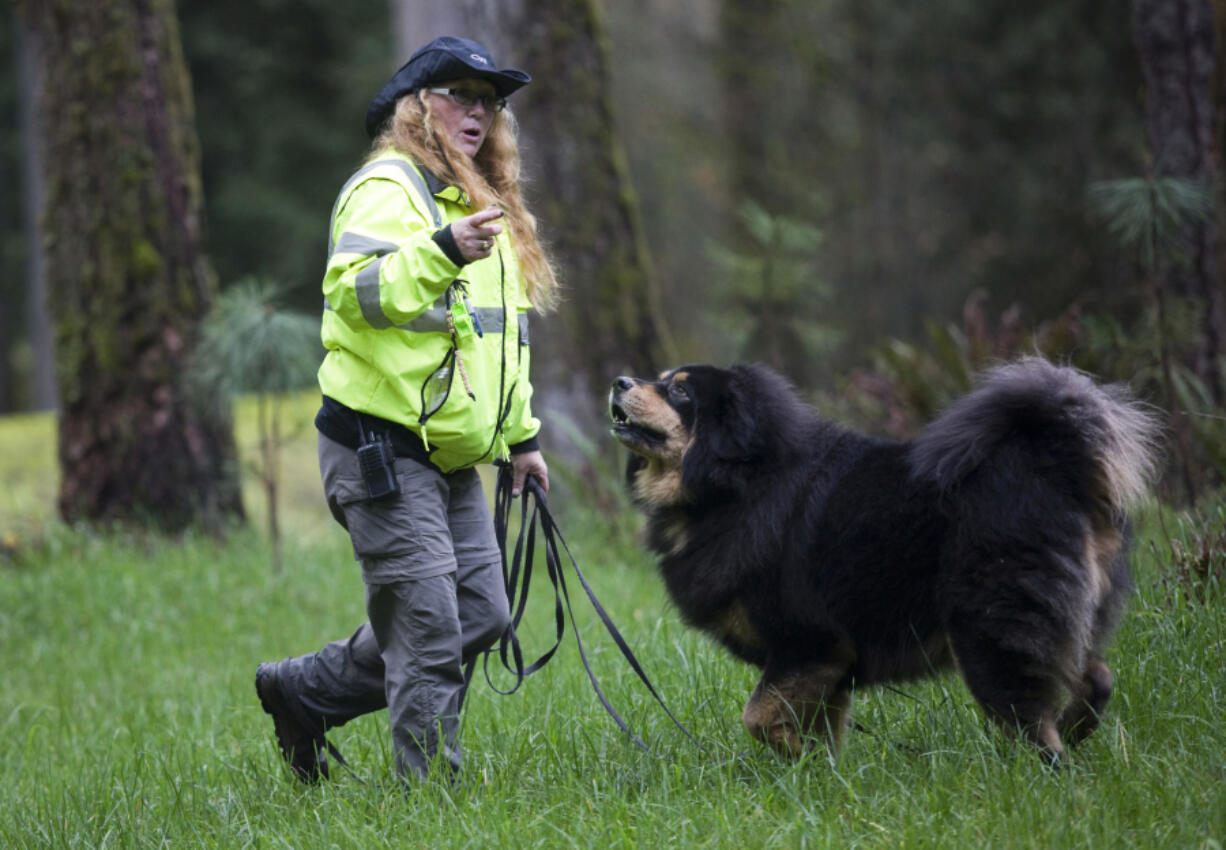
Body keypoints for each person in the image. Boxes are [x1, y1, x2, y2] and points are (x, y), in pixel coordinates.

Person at [255, 35, 558, 785]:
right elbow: (354, 296)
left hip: (450, 452)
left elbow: (501, 343)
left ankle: (303, 691)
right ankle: (429, 805)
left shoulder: (479, 204)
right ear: (418, 106)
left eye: (490, 102)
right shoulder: (388, 190)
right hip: (379, 449)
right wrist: (441, 250)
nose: (480, 113)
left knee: (483, 616)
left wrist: (522, 439)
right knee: (428, 635)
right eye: (461, 95)